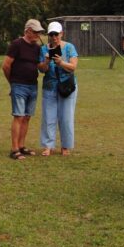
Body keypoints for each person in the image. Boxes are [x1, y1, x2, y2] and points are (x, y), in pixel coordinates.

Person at [2, 19, 46, 160]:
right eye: (35, 32)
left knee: (27, 117)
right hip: (19, 85)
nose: (38, 35)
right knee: (18, 116)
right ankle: (14, 149)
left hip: (33, 85)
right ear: (27, 31)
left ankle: (21, 146)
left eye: (39, 32)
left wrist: (48, 61)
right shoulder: (16, 44)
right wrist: (12, 83)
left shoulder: (37, 48)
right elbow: (6, 66)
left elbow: (41, 68)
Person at [40, 21, 78, 156]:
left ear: (61, 33)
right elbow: (42, 70)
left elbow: (73, 67)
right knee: (48, 117)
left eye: (56, 34)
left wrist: (61, 62)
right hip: (49, 87)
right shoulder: (44, 49)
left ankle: (65, 146)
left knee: (66, 117)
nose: (54, 37)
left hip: (66, 86)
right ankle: (48, 146)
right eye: (51, 34)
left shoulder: (69, 48)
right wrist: (46, 61)